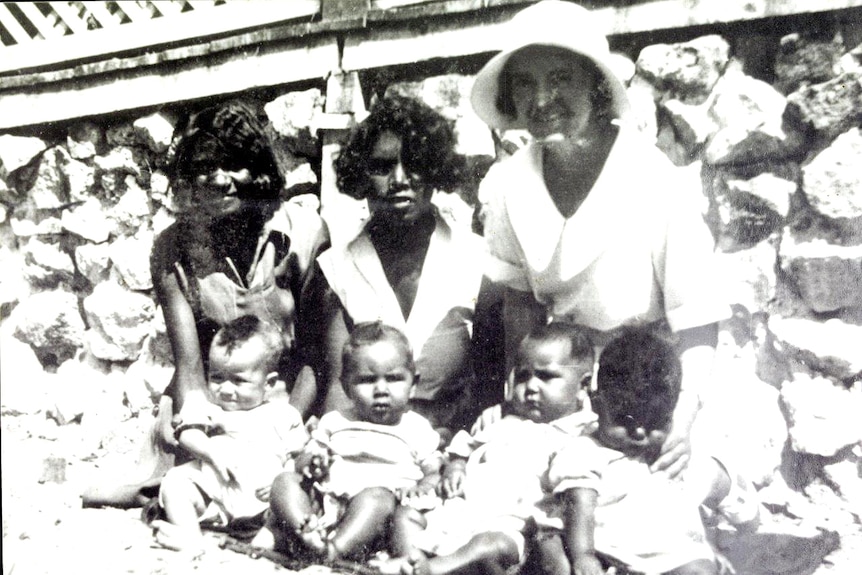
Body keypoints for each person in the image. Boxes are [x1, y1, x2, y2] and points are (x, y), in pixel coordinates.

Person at [471, 0, 729, 477]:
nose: (542, 100)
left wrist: (682, 416)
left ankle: (725, 497)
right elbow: (520, 307)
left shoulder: (653, 179)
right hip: (562, 385)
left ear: (595, 84)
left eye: (561, 79)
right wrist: (520, 402)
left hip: (651, 387)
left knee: (647, 505)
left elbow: (697, 322)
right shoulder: (510, 184)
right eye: (526, 83)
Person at [82, 99, 327, 509]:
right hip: (213, 402)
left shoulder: (303, 233)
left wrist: (283, 430)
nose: (220, 180)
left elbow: (315, 358)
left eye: (235, 163)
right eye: (203, 169)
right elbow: (191, 369)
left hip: (287, 404)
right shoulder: (172, 248)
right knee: (180, 486)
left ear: (260, 170)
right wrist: (212, 434)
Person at [311, 95, 489, 436]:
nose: (399, 179)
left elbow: (490, 384)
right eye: (382, 166)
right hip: (369, 445)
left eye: (415, 163)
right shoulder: (337, 269)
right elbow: (338, 386)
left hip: (455, 447)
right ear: (361, 174)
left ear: (436, 169)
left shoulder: (476, 259)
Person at [374, 322, 597, 575]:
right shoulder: (504, 422)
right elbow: (463, 449)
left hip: (508, 529)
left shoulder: (576, 437)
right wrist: (456, 468)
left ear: (583, 385)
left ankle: (429, 570)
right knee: (407, 515)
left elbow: (578, 496)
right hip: (456, 516)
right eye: (523, 376)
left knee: (489, 544)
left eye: (546, 376)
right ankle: (410, 560)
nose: (531, 387)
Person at [547, 328, 760, 575]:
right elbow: (579, 503)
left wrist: (746, 514)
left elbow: (716, 478)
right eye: (626, 420)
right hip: (610, 556)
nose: (639, 432)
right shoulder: (585, 452)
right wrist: (584, 555)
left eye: (654, 422)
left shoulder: (672, 455)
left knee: (700, 570)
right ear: (597, 403)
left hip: (672, 560)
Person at [259, 322, 442, 562]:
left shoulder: (416, 427)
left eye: (394, 379)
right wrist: (311, 463)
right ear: (346, 386)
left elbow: (434, 470)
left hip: (374, 515)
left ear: (413, 383)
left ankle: (332, 550)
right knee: (284, 481)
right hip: (326, 503)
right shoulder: (335, 420)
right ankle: (305, 530)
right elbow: (306, 457)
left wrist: (423, 486)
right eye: (367, 380)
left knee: (377, 498)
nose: (381, 390)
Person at [150, 316, 309, 554]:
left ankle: (265, 540)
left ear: (269, 383)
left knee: (290, 503)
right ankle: (190, 536)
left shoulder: (283, 414)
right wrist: (211, 452)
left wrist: (281, 480)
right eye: (216, 377)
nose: (225, 389)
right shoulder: (207, 406)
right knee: (175, 481)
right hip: (215, 495)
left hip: (262, 505)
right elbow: (187, 433)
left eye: (238, 381)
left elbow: (298, 453)